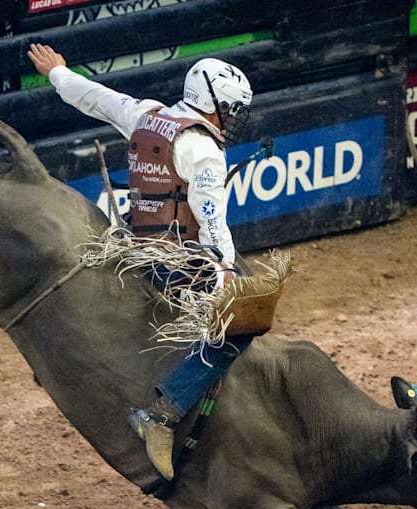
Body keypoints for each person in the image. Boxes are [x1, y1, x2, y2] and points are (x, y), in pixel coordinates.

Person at [27, 44, 254, 480]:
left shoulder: (148, 114)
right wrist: (224, 270)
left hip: (131, 244)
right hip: (174, 260)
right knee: (243, 321)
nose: (232, 117)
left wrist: (58, 73)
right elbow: (211, 221)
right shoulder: (205, 151)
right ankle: (163, 413)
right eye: (229, 108)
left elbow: (96, 97)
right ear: (213, 104)